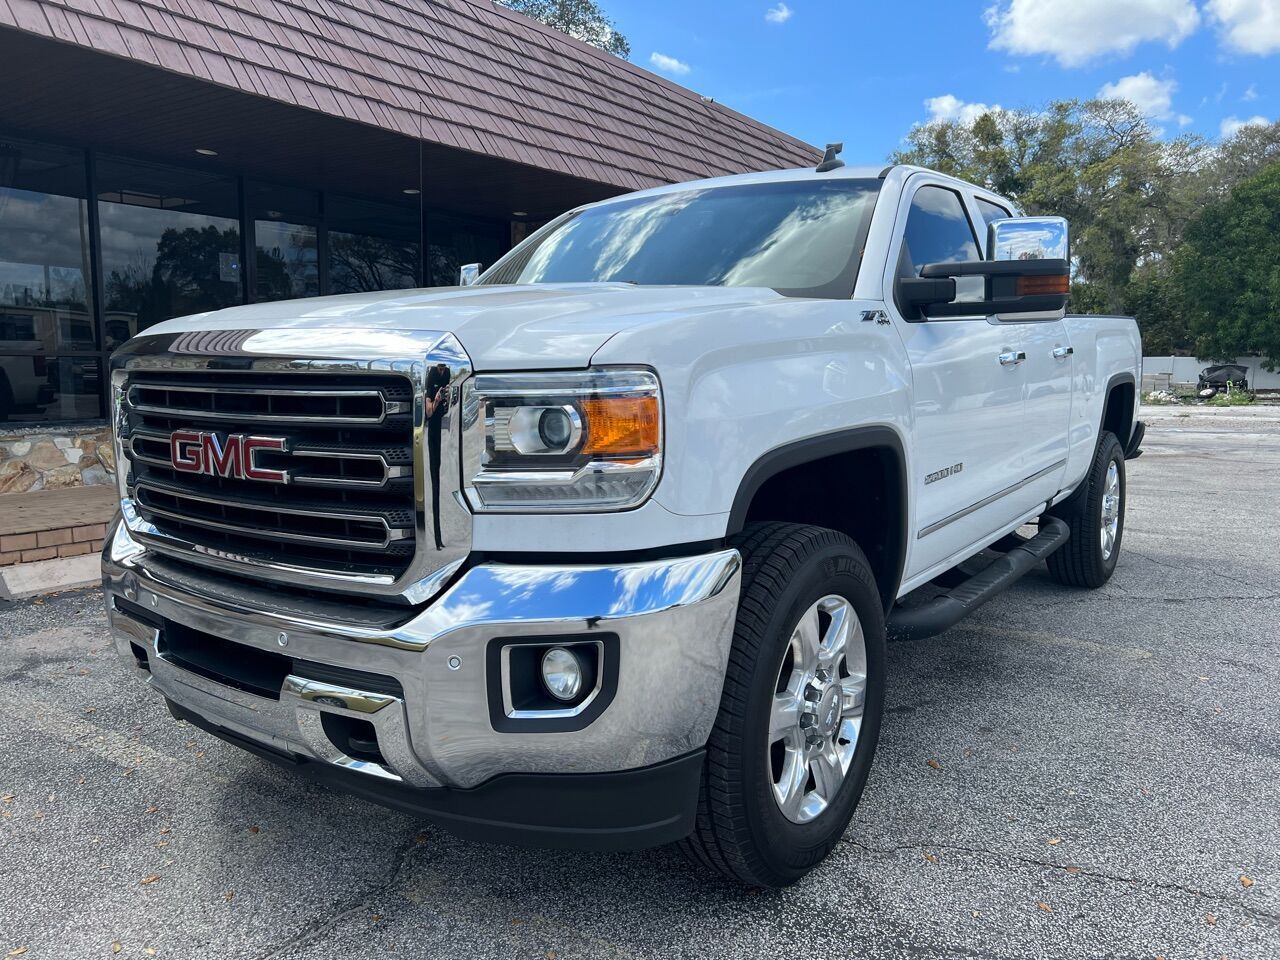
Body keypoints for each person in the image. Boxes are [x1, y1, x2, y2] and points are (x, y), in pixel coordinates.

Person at [424, 363, 451, 551]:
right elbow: (429, 412)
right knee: (433, 475)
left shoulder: (449, 372)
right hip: (432, 429)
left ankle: (440, 538)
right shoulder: (430, 375)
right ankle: (437, 538)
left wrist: (446, 398)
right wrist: (437, 399)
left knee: (442, 474)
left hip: (448, 428)